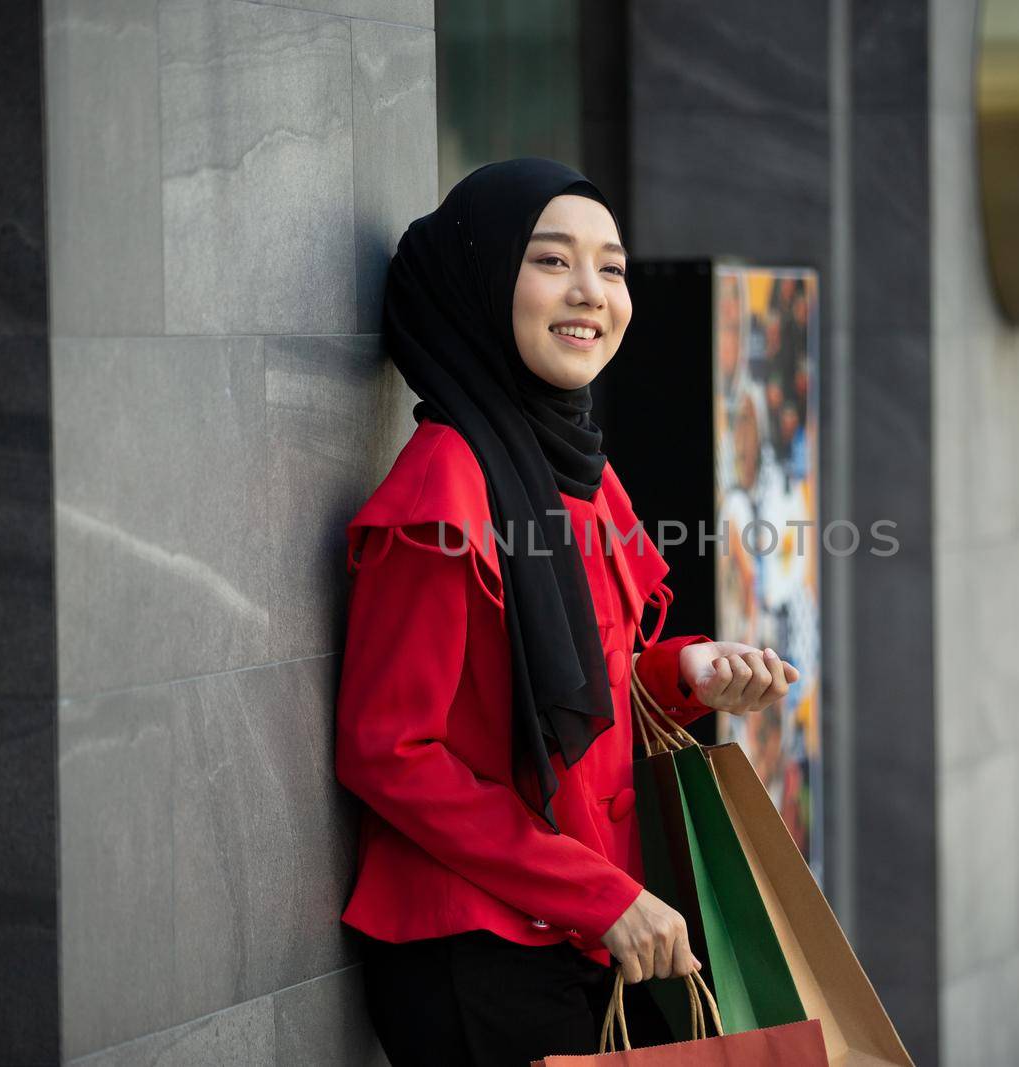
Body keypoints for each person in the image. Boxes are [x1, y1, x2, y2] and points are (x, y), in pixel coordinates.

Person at [334, 157, 801, 1066]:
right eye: (551, 261)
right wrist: (593, 893)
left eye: (612, 267)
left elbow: (588, 674)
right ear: (482, 282)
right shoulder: (445, 481)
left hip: (582, 923)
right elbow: (389, 748)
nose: (591, 291)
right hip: (479, 948)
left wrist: (689, 671)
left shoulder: (575, 468)